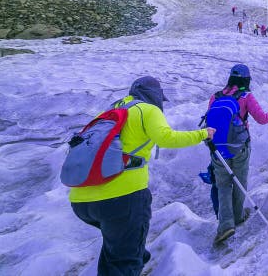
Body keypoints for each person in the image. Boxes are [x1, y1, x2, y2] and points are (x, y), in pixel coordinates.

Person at [70, 76, 213, 276]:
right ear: (153, 95)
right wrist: (202, 134)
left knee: (115, 253)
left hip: (82, 201)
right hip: (122, 198)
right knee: (126, 262)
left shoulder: (111, 110)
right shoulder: (147, 109)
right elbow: (167, 138)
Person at [206, 64, 268, 245]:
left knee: (223, 185)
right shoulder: (245, 96)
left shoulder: (216, 96)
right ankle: (238, 216)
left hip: (218, 149)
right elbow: (262, 118)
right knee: (239, 181)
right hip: (240, 146)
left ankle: (225, 224)